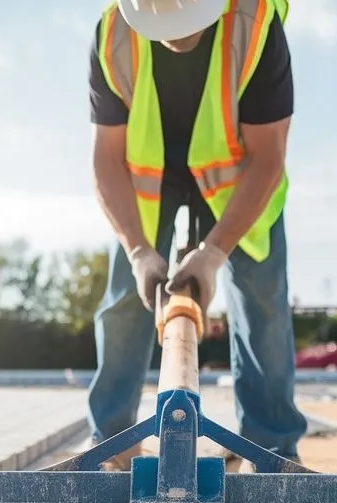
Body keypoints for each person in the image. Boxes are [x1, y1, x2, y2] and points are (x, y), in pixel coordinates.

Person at [86, 0, 308, 469]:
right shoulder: (113, 35)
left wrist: (213, 253)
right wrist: (139, 250)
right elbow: (106, 158)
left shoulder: (254, 23)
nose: (175, 32)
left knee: (261, 300)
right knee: (128, 294)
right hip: (150, 178)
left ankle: (269, 448)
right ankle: (112, 443)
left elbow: (268, 156)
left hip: (237, 173)